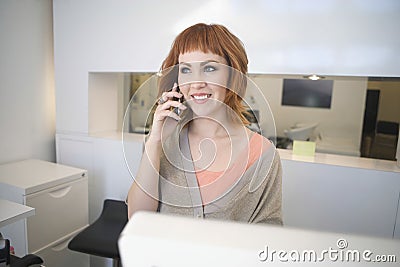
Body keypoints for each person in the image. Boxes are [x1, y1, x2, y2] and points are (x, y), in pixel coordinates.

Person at [127, 23, 282, 225]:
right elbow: (137, 218)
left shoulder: (262, 154)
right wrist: (155, 141)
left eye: (209, 68)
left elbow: (269, 229)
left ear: (233, 75)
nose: (196, 82)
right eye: (186, 69)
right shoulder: (161, 141)